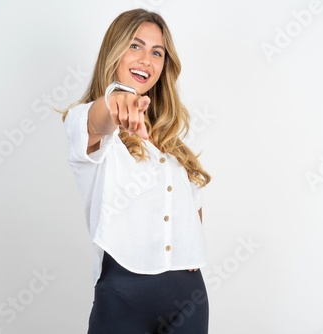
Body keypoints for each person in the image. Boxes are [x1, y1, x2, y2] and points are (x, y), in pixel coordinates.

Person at [61, 8, 211, 334]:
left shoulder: (173, 146)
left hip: (188, 299)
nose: (146, 59)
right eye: (135, 46)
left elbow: (193, 217)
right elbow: (98, 120)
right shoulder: (88, 123)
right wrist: (114, 100)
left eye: (157, 52)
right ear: (114, 51)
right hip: (122, 297)